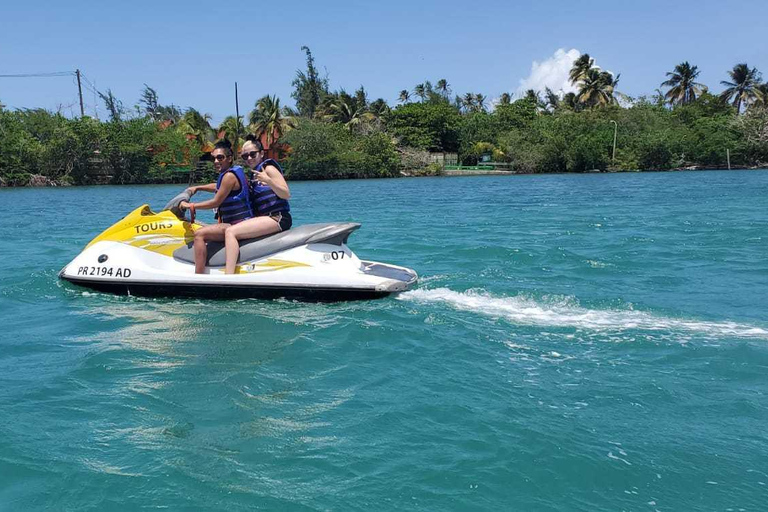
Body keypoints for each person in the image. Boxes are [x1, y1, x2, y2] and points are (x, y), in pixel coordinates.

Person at [179, 140, 253, 274]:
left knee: (199, 234)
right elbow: (219, 187)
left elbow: (216, 202)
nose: (216, 161)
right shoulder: (233, 172)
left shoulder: (229, 176)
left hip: (236, 224)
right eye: (213, 158)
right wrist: (198, 187)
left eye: (220, 158)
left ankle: (199, 276)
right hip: (241, 222)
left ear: (229, 158)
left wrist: (191, 206)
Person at [221, 136, 292, 273]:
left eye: (252, 154)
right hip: (266, 218)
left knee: (231, 232)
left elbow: (286, 194)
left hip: (277, 218)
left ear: (261, 153)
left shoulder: (269, 169)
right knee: (229, 228)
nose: (249, 158)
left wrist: (269, 181)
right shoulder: (254, 174)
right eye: (245, 156)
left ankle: (228, 276)